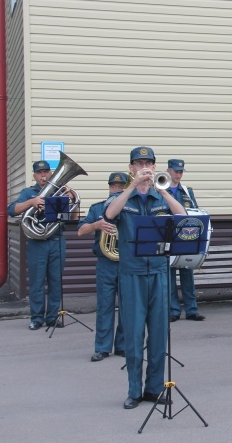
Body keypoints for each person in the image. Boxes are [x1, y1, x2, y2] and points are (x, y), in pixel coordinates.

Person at [104, 147, 186, 409]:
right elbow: (109, 215)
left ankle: (154, 389)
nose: (144, 167)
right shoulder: (122, 197)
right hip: (132, 274)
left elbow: (182, 216)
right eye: (139, 164)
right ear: (131, 168)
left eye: (148, 163)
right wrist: (131, 187)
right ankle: (134, 391)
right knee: (134, 333)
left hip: (159, 273)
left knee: (160, 334)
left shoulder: (160, 197)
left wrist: (162, 189)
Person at [9, 160, 66, 331]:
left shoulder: (58, 191)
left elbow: (69, 216)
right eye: (40, 173)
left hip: (56, 240)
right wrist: (31, 203)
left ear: (50, 174)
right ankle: (36, 318)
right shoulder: (29, 192)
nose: (43, 175)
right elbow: (12, 209)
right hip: (37, 242)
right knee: (37, 282)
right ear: (34, 175)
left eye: (46, 172)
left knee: (56, 282)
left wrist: (69, 199)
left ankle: (53, 317)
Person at [77, 172, 127, 361]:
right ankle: (102, 347)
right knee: (105, 306)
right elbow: (81, 231)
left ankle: (122, 346)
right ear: (109, 187)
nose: (116, 190)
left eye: (120, 187)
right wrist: (96, 225)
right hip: (106, 263)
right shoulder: (97, 208)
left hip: (126, 263)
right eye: (113, 186)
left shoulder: (130, 208)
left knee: (127, 306)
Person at [165, 159, 205, 322]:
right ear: (168, 171)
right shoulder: (161, 189)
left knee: (187, 273)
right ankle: (174, 310)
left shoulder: (187, 191)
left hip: (186, 235)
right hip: (168, 235)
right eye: (176, 171)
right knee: (170, 275)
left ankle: (191, 310)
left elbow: (194, 210)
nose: (179, 174)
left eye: (181, 171)